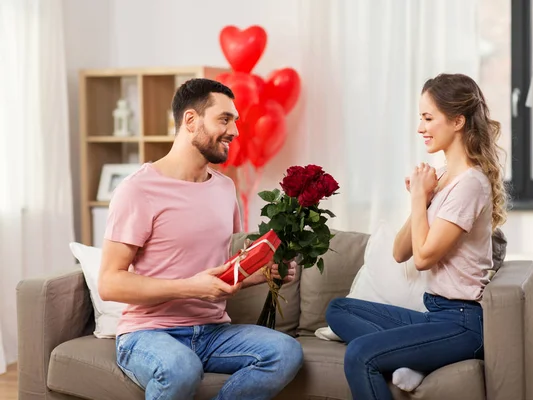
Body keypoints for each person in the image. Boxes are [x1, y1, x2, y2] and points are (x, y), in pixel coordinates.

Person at [98, 78, 303, 400]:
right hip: (149, 333)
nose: (235, 131)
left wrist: (264, 274)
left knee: (285, 352)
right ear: (191, 121)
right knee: (181, 368)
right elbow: (110, 284)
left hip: (213, 331)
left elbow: (221, 275)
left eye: (235, 121)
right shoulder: (138, 190)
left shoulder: (224, 188)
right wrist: (191, 287)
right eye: (224, 119)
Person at [325, 73, 508, 399]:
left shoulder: (470, 184)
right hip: (434, 315)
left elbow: (423, 259)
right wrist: (422, 200)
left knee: (360, 355)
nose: (420, 127)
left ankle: (410, 354)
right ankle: (413, 355)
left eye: (428, 118)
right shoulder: (441, 177)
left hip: (463, 325)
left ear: (457, 121)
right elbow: (400, 252)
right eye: (420, 118)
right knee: (339, 309)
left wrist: (416, 199)